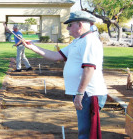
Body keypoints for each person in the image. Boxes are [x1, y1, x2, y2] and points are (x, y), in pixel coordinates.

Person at [21, 11, 108, 139]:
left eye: (70, 25)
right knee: (85, 130)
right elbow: (56, 56)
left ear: (80, 24)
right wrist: (33, 47)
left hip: (89, 93)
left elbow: (89, 69)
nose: (67, 28)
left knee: (86, 132)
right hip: (83, 93)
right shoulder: (78, 41)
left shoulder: (90, 41)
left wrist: (79, 93)